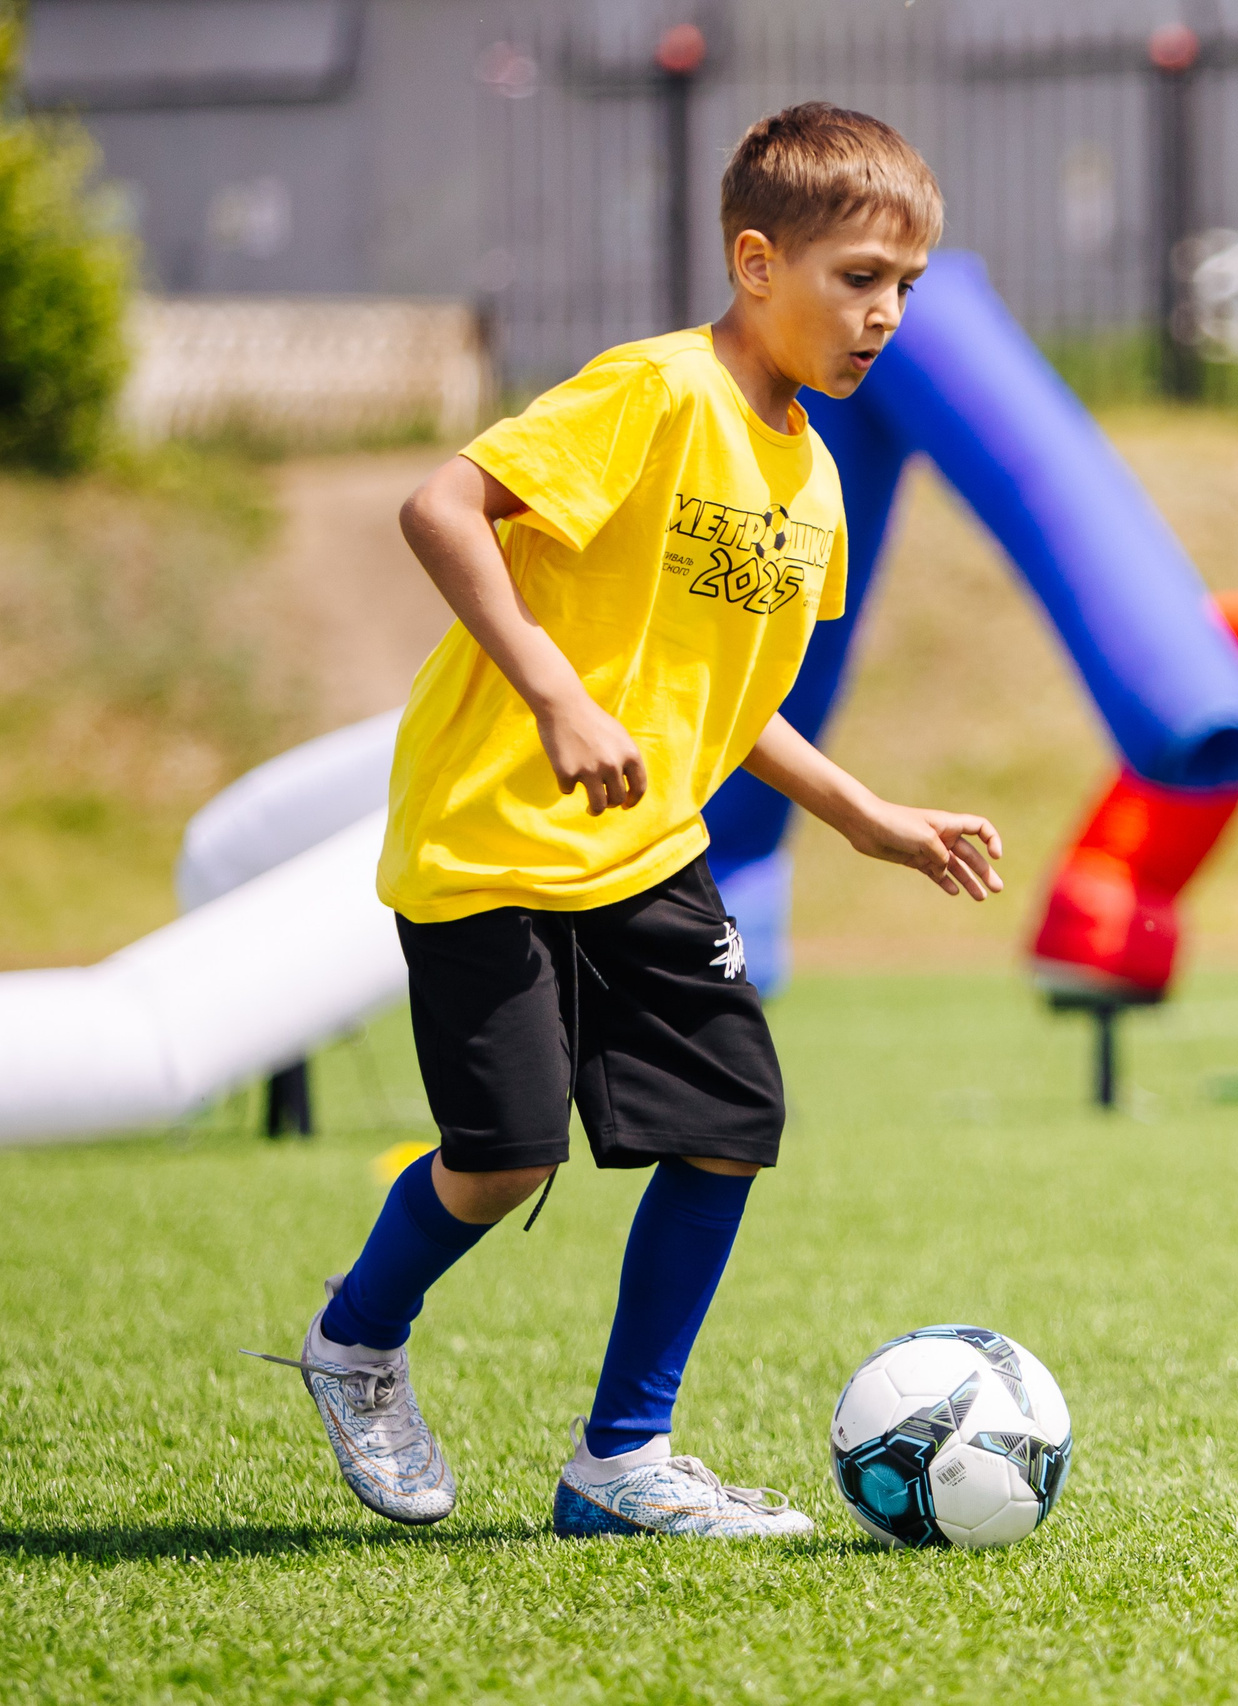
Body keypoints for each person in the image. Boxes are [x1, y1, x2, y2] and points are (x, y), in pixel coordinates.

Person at [245, 104, 1000, 1540]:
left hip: (649, 853)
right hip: (489, 843)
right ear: (757, 261)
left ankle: (622, 1459)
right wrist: (553, 697)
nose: (885, 315)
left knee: (732, 1119)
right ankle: (355, 1339)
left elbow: (728, 698)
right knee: (506, 1156)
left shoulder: (815, 482)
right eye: (857, 279)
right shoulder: (652, 394)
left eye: (907, 287)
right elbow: (440, 505)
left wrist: (865, 814)